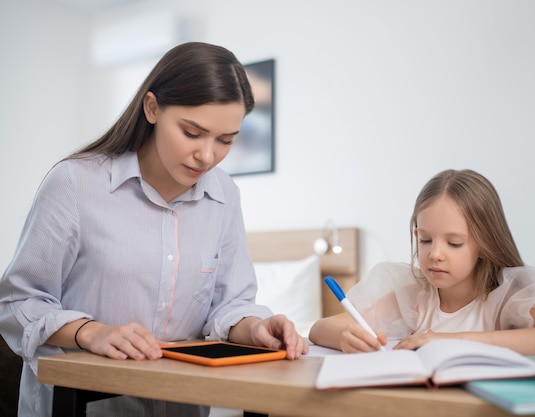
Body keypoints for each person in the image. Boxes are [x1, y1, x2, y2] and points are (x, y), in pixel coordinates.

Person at [0, 42, 307, 417]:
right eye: (192, 132)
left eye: (226, 140)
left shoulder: (224, 195)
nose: (208, 156)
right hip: (81, 404)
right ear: (152, 108)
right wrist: (91, 332)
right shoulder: (76, 183)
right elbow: (17, 303)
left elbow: (229, 304)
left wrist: (256, 327)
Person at [309, 169, 535, 356]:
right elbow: (319, 329)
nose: (435, 254)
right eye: (426, 240)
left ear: (485, 243)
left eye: (454, 243)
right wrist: (346, 336)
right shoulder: (414, 296)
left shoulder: (505, 300)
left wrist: (453, 341)